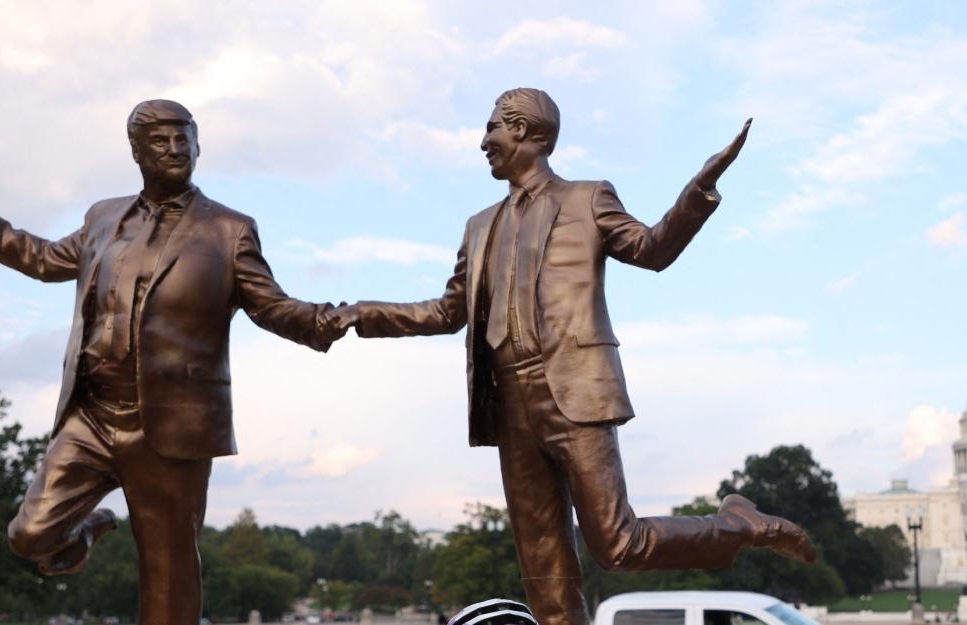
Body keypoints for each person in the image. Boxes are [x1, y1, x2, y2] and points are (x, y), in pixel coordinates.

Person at [326, 88, 814, 625]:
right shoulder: (478, 226)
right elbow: (447, 312)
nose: (483, 141)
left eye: (492, 128)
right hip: (508, 403)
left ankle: (737, 525)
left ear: (524, 131)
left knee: (618, 543)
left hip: (575, 389)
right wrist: (361, 314)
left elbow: (651, 249)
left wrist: (698, 191)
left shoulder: (588, 198)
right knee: (545, 571)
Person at [0, 99, 348, 625]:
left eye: (183, 140)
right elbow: (40, 257)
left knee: (170, 570)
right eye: (160, 141)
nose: (174, 149)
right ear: (136, 152)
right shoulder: (103, 218)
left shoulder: (230, 230)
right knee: (30, 534)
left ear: (197, 147)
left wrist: (326, 320)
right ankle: (87, 530)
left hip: (171, 423)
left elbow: (273, 307)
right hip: (93, 414)